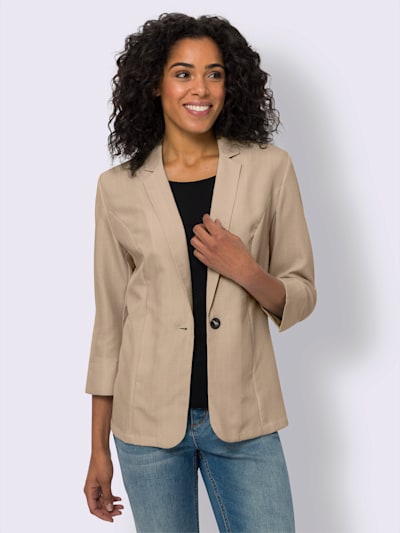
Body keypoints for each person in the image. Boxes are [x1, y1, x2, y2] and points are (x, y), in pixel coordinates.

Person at [83, 12, 316, 533]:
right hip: (145, 427)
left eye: (215, 73)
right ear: (155, 84)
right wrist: (98, 449)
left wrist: (246, 269)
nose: (201, 89)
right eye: (183, 73)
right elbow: (110, 326)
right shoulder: (117, 187)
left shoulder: (269, 168)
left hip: (246, 420)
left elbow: (302, 292)